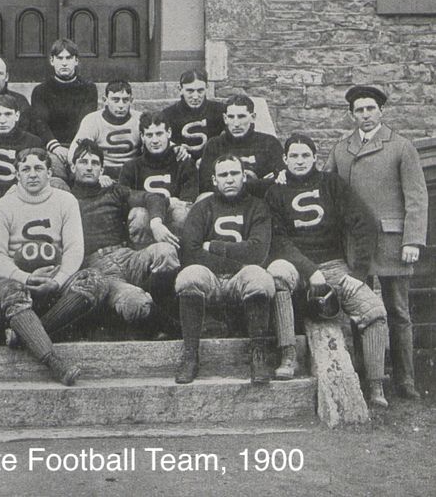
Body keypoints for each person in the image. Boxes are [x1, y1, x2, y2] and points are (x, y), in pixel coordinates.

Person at [265, 134, 389, 406]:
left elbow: (364, 222)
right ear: (284, 160)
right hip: (297, 267)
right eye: (294, 156)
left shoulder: (331, 184)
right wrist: (310, 270)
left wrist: (358, 274)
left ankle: (376, 385)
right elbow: (278, 240)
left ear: (315, 158)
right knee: (277, 276)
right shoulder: (275, 191)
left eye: (305, 156)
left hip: (333, 266)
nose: (299, 161)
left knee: (375, 311)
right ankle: (288, 354)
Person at [325, 85, 428, 400]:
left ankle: (405, 380)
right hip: (355, 245)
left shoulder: (400, 147)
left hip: (392, 241)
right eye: (359, 110)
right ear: (351, 114)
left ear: (381, 111)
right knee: (359, 309)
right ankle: (366, 375)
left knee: (398, 311)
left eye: (370, 109)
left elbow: (416, 197)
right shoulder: (341, 149)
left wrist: (412, 240)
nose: (365, 115)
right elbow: (326, 192)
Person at [0, 148, 103, 386]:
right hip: (18, 279)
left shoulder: (65, 201)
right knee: (5, 289)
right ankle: (54, 362)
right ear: (16, 174)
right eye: (25, 169)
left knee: (95, 279)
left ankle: (23, 335)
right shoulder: (2, 206)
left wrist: (58, 279)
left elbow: (74, 248)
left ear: (49, 173)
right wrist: (26, 277)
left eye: (38, 168)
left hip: (56, 278)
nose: (32, 174)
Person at [175, 154, 274, 384]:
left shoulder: (257, 207)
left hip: (242, 277)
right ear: (214, 180)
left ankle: (258, 355)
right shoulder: (202, 208)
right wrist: (235, 258)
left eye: (234, 173)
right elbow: (190, 251)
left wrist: (214, 247)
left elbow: (258, 251)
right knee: (189, 275)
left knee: (259, 277)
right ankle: (190, 355)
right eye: (223, 175)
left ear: (244, 177)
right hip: (211, 278)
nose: (229, 179)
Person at [70, 139, 181, 331]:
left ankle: (163, 309)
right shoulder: (66, 199)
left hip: (127, 256)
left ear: (102, 170)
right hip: (97, 267)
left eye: (95, 163)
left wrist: (156, 223)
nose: (89, 167)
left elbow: (152, 197)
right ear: (72, 167)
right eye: (83, 162)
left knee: (165, 251)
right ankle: (174, 329)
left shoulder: (114, 191)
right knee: (135, 302)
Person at [119, 111, 199, 238]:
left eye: (159, 134)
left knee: (181, 213)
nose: (155, 140)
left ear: (169, 133)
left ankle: (180, 254)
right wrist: (164, 203)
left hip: (174, 218)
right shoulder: (131, 167)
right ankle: (142, 255)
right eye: (149, 135)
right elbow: (124, 201)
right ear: (142, 136)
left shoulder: (184, 163)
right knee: (140, 215)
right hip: (146, 220)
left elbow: (187, 201)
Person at [31, 38, 98, 178]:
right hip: (53, 148)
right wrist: (56, 148)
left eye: (68, 58)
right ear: (52, 61)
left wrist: (75, 149)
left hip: (79, 145)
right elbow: (40, 123)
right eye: (60, 58)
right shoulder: (41, 90)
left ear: (76, 61)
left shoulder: (88, 89)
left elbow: (86, 121)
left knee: (82, 170)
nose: (64, 63)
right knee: (55, 172)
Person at [198, 94, 284, 198]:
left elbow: (280, 180)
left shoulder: (269, 143)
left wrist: (231, 185)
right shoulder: (214, 145)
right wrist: (259, 183)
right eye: (231, 117)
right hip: (225, 203)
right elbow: (205, 185)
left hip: (261, 202)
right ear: (225, 119)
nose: (236, 123)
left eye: (241, 116)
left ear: (253, 117)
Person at [68, 80, 142, 184]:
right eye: (115, 100)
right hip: (102, 170)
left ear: (132, 101)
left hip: (132, 172)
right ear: (105, 100)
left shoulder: (140, 119)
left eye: (125, 100)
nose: (121, 105)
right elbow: (74, 152)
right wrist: (97, 175)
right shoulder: (92, 120)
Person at [162, 69, 226, 159]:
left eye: (200, 91)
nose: (195, 96)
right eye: (190, 91)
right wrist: (174, 148)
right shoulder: (168, 115)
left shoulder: (219, 110)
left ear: (207, 88)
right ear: (180, 90)